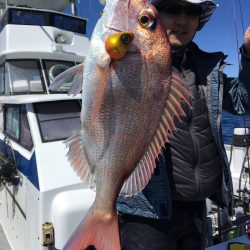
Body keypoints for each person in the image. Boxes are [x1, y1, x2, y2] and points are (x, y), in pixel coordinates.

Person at [117, 0, 250, 249]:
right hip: (147, 214)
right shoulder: (130, 64)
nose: (182, 18)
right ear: (154, 14)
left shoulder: (208, 70)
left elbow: (244, 102)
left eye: (191, 11)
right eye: (172, 8)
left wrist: (249, 55)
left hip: (199, 209)